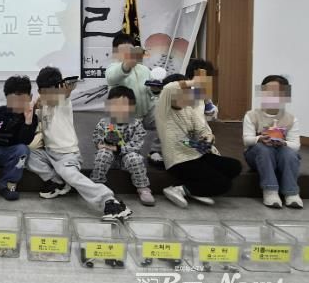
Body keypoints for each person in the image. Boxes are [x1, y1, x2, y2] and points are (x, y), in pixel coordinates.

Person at [27, 67, 132, 220]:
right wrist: (36, 105)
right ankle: (57, 182)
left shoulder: (63, 102)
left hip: (67, 155)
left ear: (59, 89)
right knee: (25, 153)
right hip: (49, 153)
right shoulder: (42, 106)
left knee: (71, 175)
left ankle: (109, 202)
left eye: (52, 91)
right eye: (43, 92)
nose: (48, 96)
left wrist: (66, 92)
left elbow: (64, 96)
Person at [156, 74, 242, 208]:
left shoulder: (188, 109)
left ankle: (195, 189)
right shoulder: (163, 108)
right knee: (224, 184)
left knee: (234, 166)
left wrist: (208, 137)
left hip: (197, 154)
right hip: (178, 160)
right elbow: (169, 88)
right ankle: (179, 189)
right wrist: (194, 82)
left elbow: (202, 129)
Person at [243, 75, 302, 209]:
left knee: (289, 153)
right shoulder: (251, 115)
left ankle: (291, 193)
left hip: (280, 156)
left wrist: (283, 143)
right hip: (257, 156)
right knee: (264, 149)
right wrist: (259, 138)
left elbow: (296, 145)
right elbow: (247, 141)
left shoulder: (291, 119)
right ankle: (270, 191)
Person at [92, 86, 154, 206]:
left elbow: (137, 144)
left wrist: (118, 148)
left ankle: (143, 188)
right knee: (102, 153)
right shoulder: (104, 123)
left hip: (128, 158)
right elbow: (97, 138)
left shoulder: (136, 124)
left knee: (135, 157)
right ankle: (96, 185)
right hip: (109, 158)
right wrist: (102, 144)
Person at [105, 33, 161, 163]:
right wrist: (126, 65)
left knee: (166, 119)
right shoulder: (113, 67)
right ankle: (120, 154)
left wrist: (155, 90)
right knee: (128, 150)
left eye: (130, 50)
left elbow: (151, 91)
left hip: (147, 111)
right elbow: (112, 78)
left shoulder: (144, 69)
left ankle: (156, 151)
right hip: (127, 116)